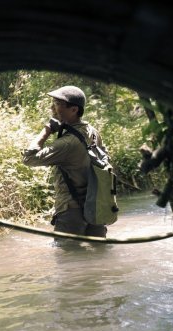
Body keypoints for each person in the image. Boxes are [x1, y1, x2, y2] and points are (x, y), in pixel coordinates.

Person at [22, 85, 107, 244]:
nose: (51, 108)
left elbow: (29, 158)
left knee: (66, 260)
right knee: (99, 255)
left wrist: (46, 130)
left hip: (71, 212)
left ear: (74, 110)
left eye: (57, 104)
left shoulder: (66, 143)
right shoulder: (93, 132)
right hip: (96, 208)